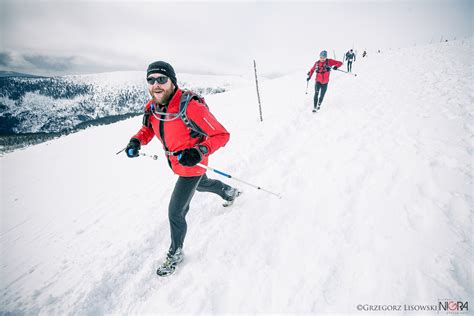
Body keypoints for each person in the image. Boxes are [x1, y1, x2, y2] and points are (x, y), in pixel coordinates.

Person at [124, 61, 241, 276]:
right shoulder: (152, 107)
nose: (156, 84)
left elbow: (222, 135)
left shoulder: (190, 107)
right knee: (202, 184)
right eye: (151, 80)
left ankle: (175, 253)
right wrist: (136, 141)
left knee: (176, 212)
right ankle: (229, 192)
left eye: (161, 79)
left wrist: (198, 152)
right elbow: (148, 129)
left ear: (172, 81)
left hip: (192, 164)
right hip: (178, 163)